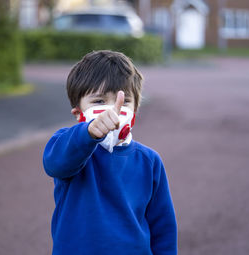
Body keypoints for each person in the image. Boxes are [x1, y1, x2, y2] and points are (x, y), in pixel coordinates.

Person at [43, 50, 177, 255]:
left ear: (135, 110)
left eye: (124, 102)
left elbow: (163, 226)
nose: (112, 110)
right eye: (98, 102)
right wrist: (87, 134)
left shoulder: (149, 161)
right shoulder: (70, 148)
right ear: (78, 113)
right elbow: (54, 164)